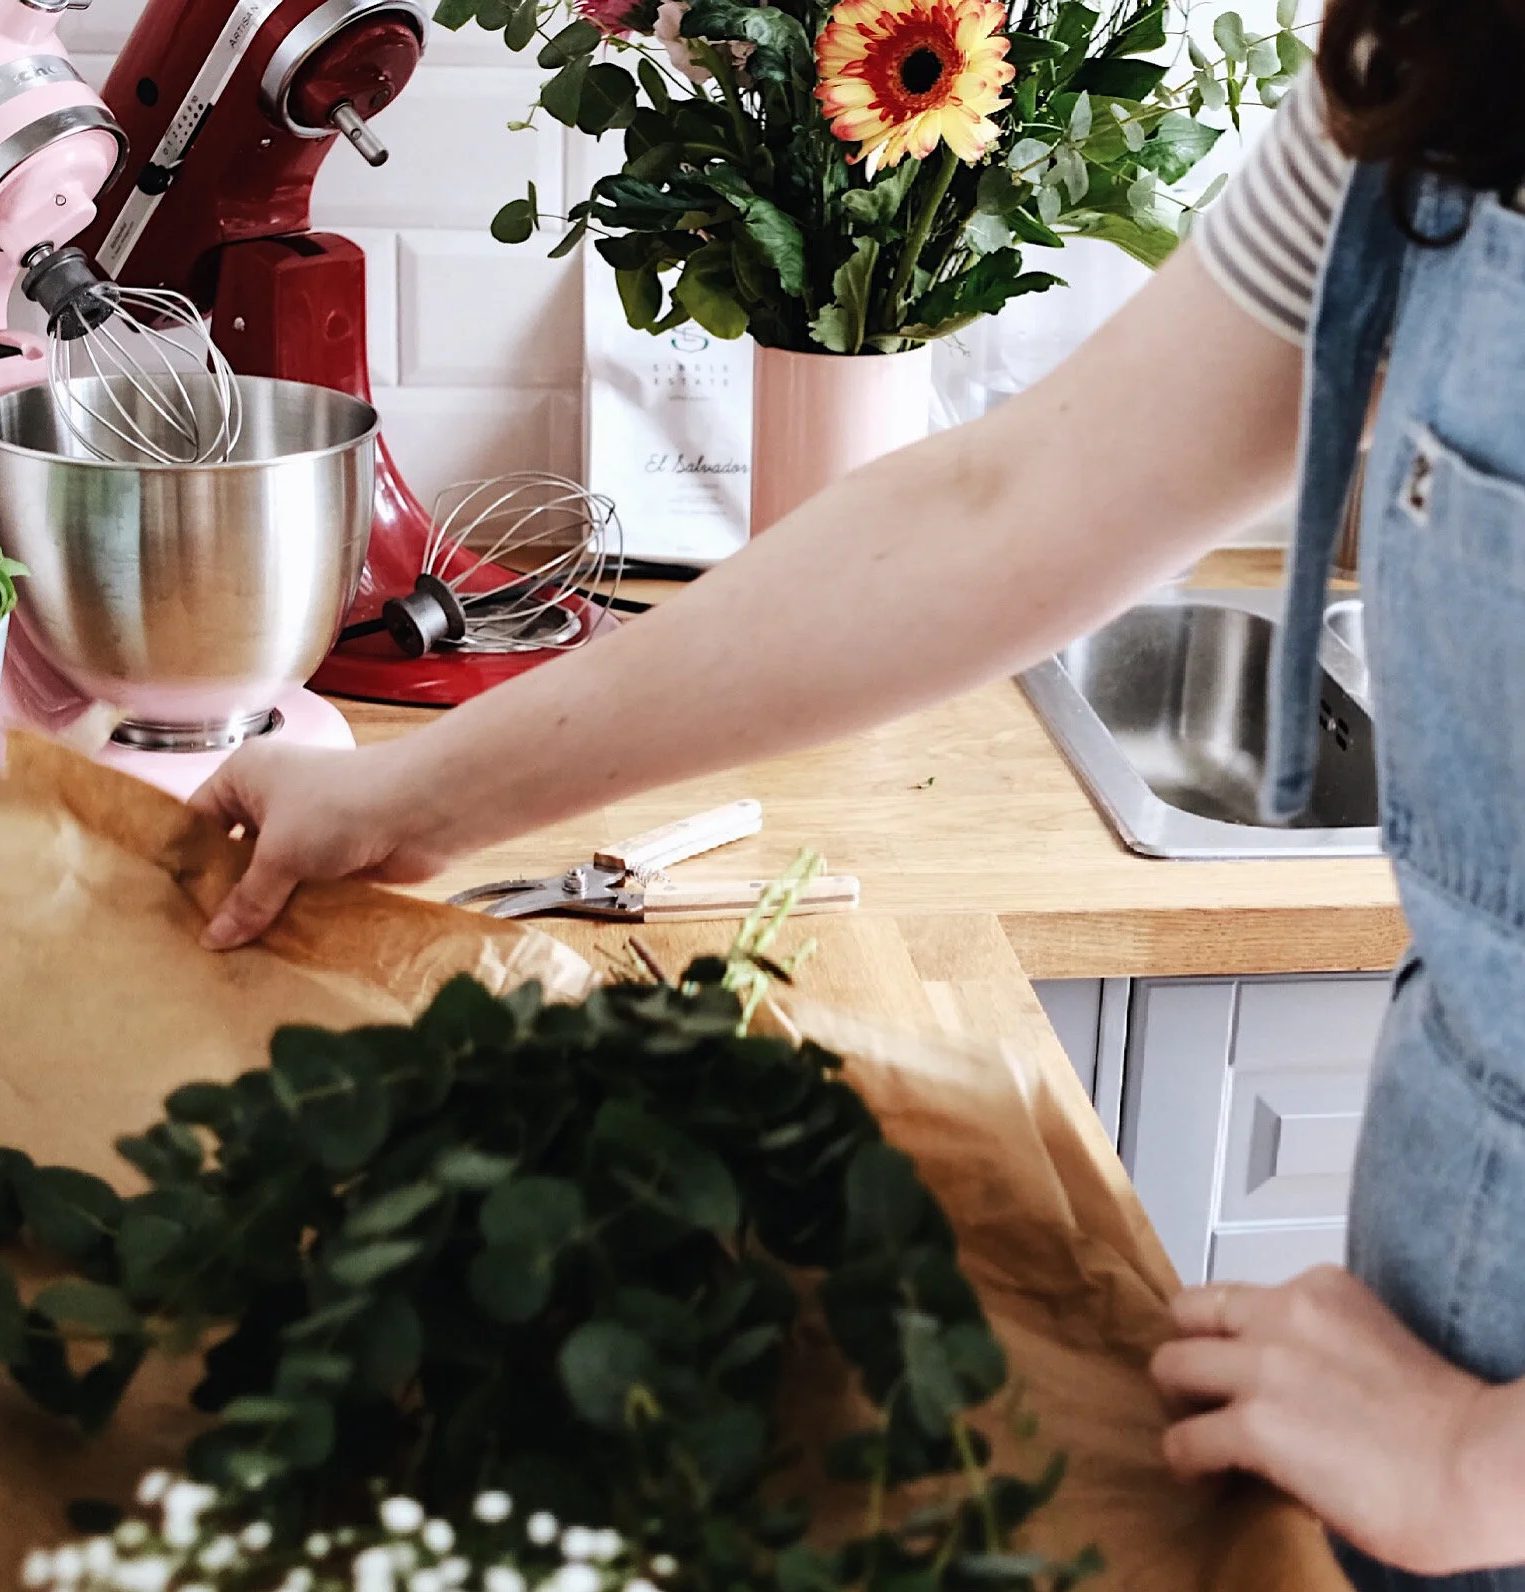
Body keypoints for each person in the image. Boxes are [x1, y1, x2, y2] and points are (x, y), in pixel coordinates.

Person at [189, 0, 1525, 1582]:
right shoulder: (1438, 73)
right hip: (1428, 1343)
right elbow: (1003, 502)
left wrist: (1477, 1462)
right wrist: (414, 801)